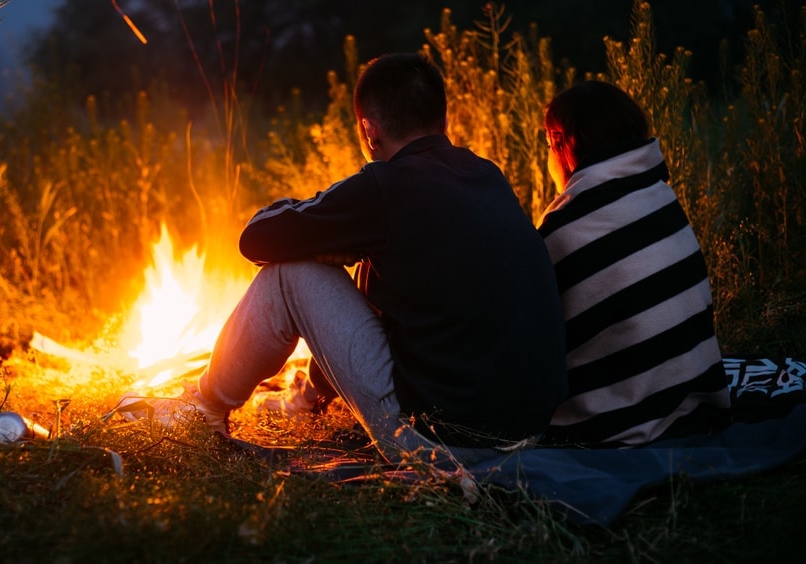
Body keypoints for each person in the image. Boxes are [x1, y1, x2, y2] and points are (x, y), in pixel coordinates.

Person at [186, 52, 568, 464]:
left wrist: (322, 246)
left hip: (443, 442)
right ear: (443, 120)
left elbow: (257, 237)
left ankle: (203, 407)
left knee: (289, 273)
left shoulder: (387, 185)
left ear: (369, 131)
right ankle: (307, 398)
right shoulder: (487, 176)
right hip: (529, 432)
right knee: (380, 269)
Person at [537, 80, 731, 447]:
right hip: (699, 401)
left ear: (563, 144)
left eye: (548, 146)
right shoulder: (660, 196)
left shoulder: (563, 228)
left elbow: (536, 340)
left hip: (617, 425)